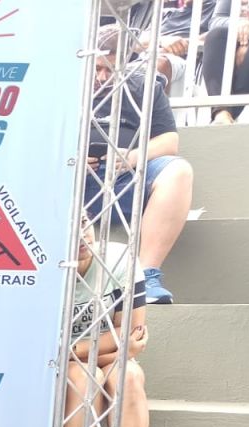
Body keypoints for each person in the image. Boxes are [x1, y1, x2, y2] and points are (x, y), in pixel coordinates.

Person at [57, 221, 153, 427]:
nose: (81, 236)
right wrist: (98, 350)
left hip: (101, 359)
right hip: (64, 369)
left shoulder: (121, 259)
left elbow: (134, 335)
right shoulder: (47, 267)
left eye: (84, 224)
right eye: (70, 227)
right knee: (87, 377)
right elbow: (45, 349)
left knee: (130, 376)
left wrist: (76, 349)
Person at [88, 27, 194, 306]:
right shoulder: (66, 85)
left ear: (126, 62)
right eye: (97, 68)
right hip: (71, 180)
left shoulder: (144, 86)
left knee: (179, 171)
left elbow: (169, 141)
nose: (102, 77)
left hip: (126, 180)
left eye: (110, 69)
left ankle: (144, 278)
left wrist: (132, 157)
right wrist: (69, 157)